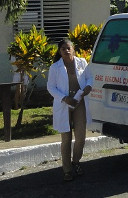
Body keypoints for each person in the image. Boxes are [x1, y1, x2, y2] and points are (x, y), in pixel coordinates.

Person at [47, 39, 93, 182]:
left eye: (68, 48)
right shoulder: (55, 67)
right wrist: (64, 98)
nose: (66, 51)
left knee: (80, 137)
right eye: (63, 49)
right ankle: (67, 170)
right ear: (59, 52)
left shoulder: (82, 62)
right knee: (66, 139)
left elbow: (89, 77)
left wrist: (88, 86)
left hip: (79, 103)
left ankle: (76, 161)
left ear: (73, 49)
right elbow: (51, 87)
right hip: (64, 104)